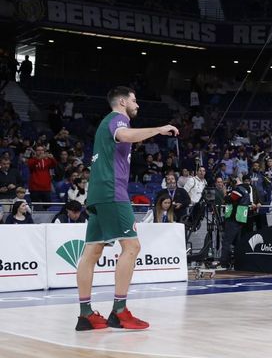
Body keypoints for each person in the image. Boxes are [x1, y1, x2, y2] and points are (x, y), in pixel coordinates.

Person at [76, 86, 178, 331]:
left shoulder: (105, 122)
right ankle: (119, 311)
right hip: (112, 191)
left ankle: (85, 315)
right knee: (132, 246)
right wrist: (159, 129)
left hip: (97, 193)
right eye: (134, 100)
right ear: (122, 102)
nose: (138, 105)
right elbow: (124, 135)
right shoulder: (118, 118)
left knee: (91, 253)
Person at [219, 177, 251, 268]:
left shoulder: (239, 189)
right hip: (240, 219)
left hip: (233, 219)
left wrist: (225, 194)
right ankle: (237, 262)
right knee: (237, 243)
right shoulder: (246, 191)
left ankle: (224, 263)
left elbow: (230, 199)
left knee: (227, 241)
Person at [27, 145, 57, 209]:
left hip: (46, 188)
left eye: (42, 150)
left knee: (47, 205)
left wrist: (52, 158)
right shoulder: (31, 160)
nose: (40, 152)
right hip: (35, 188)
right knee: (35, 206)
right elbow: (31, 165)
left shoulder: (47, 160)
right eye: (38, 150)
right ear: (35, 151)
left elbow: (54, 165)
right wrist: (39, 158)